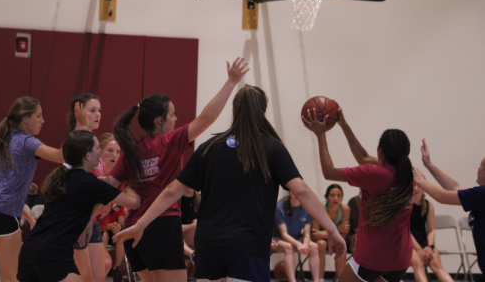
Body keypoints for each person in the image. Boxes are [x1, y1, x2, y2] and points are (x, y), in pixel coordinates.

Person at [114, 85, 346, 282]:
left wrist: (141, 223)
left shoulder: (209, 147)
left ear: (234, 110)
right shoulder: (272, 148)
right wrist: (333, 230)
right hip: (248, 248)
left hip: (208, 247)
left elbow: (172, 190)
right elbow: (302, 191)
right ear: (263, 111)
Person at [105, 57, 250, 282]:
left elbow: (106, 189)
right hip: (161, 226)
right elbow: (207, 118)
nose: (176, 119)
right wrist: (231, 82)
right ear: (160, 120)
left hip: (133, 228)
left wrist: (89, 216)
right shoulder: (170, 141)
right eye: (172, 115)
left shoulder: (130, 151)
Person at [0, 96, 88, 282]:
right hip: (3, 212)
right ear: (25, 118)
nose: (43, 121)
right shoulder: (27, 141)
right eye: (39, 116)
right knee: (12, 278)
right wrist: (81, 127)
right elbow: (63, 155)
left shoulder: (3, 137)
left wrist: (18, 184)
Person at [303, 107, 414, 282]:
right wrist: (343, 124)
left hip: (374, 257)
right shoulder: (409, 176)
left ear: (380, 151)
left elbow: (329, 172)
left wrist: (320, 135)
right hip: (401, 258)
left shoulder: (376, 174)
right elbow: (363, 157)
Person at [17, 130, 141, 282]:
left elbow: (76, 207)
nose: (100, 151)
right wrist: (127, 181)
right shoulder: (91, 183)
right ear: (87, 155)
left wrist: (88, 221)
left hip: (30, 250)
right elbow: (135, 202)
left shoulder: (60, 177)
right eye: (97, 148)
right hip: (52, 255)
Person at [413, 139, 485, 282]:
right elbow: (455, 188)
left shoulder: (483, 194)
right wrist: (429, 165)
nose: (478, 168)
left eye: (481, 165)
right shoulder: (479, 194)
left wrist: (420, 181)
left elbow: (442, 196)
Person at [66, 94, 113, 282]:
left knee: (98, 275)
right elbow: (75, 184)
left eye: (99, 110)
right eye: (92, 110)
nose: (98, 115)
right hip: (78, 217)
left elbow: (98, 181)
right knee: (83, 276)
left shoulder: (93, 142)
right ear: (78, 112)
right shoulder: (75, 143)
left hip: (92, 219)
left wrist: (106, 198)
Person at [96, 133, 127, 282]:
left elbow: (129, 205)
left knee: (104, 264)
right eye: (110, 150)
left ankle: (118, 269)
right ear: (99, 152)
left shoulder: (120, 180)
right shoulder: (93, 174)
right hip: (82, 228)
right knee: (102, 264)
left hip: (100, 229)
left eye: (118, 152)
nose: (114, 155)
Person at [273, 191, 321, 282]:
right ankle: (292, 280)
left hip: (298, 238)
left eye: (299, 192)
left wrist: (305, 244)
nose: (296, 195)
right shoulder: (279, 207)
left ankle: (316, 280)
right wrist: (299, 244)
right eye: (294, 192)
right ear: (289, 192)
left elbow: (307, 233)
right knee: (288, 247)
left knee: (314, 247)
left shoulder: (307, 207)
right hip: (279, 239)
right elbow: (284, 235)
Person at [408, 186, 453, 282]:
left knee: (437, 266)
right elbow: (405, 231)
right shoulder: (406, 206)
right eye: (413, 186)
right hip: (408, 241)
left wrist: (429, 246)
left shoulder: (428, 205)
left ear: (424, 187)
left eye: (419, 186)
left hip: (423, 240)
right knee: (418, 265)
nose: (416, 189)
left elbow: (431, 230)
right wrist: (419, 250)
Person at [312, 184, 350, 280]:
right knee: (321, 244)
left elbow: (343, 235)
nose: (335, 198)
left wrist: (324, 233)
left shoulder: (345, 209)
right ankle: (320, 279)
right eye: (332, 195)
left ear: (342, 197)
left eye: (339, 195)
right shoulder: (319, 208)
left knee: (340, 244)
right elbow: (315, 235)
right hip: (321, 241)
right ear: (326, 197)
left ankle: (340, 279)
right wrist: (337, 230)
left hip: (333, 239)